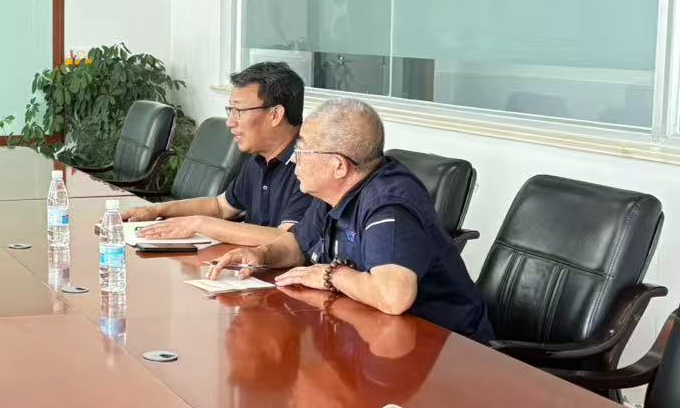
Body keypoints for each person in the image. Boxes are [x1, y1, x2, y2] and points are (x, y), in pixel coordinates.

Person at [206, 98, 493, 344]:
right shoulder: (333, 193)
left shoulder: (389, 205)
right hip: (376, 334)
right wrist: (260, 255)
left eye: (302, 151)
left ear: (339, 166)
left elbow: (393, 297)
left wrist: (331, 275)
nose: (295, 159)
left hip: (447, 351)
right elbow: (297, 245)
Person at [123, 61, 313, 248]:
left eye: (239, 111)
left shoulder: (312, 163)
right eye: (231, 110)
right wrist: (156, 210)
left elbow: (287, 240)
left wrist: (198, 224)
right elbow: (221, 207)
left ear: (275, 115)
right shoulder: (260, 159)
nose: (230, 122)